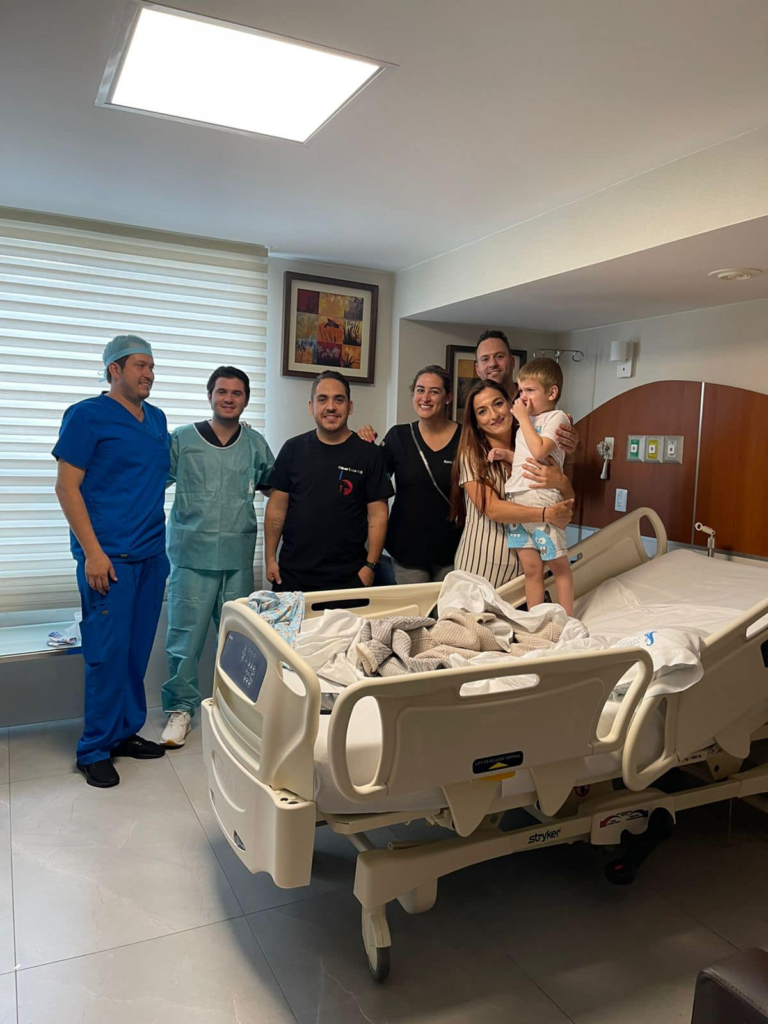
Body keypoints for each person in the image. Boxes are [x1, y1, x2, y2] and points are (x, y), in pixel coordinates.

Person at [53, 335, 168, 788]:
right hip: (109, 559)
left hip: (151, 555)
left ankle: (124, 732)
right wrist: (93, 553)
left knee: (136, 653)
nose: (149, 374)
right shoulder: (86, 416)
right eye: (140, 365)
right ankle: (94, 749)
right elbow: (67, 487)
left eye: (152, 366)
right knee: (107, 655)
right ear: (114, 370)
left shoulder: (156, 419)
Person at [161, 366, 275, 748]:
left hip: (237, 557)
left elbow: (279, 487)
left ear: (246, 399)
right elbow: (150, 480)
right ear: (209, 395)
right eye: (222, 391)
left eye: (236, 393)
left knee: (241, 641)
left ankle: (236, 709)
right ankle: (181, 709)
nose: (229, 398)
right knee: (184, 639)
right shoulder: (182, 439)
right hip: (191, 555)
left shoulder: (255, 444)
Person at [264, 371, 393, 592]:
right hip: (292, 576)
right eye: (322, 399)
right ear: (311, 406)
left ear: (350, 407)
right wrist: (269, 558)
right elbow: (276, 508)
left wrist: (370, 566)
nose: (330, 407)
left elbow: (378, 514)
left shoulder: (369, 454)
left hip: (349, 578)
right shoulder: (292, 449)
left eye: (338, 400)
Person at [451, 380, 574, 588]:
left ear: (512, 404)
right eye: (482, 411)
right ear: (477, 422)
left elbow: (567, 503)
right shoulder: (473, 455)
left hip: (528, 575)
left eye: (498, 404)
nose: (494, 415)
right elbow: (492, 509)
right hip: (483, 570)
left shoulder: (535, 448)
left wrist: (561, 482)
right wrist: (546, 514)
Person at [490, 358, 574, 613]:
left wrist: (523, 419)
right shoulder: (527, 423)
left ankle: (567, 619)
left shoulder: (556, 417)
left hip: (542, 498)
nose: (523, 397)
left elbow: (539, 451)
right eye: (520, 390)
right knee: (531, 568)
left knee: (558, 566)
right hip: (518, 500)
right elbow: (527, 457)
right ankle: (535, 619)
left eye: (530, 390)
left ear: (552, 392)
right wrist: (507, 455)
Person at [380, 365, 462, 583]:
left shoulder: (466, 438)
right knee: (415, 606)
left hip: (454, 550)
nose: (425, 398)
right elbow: (374, 481)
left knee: (451, 605)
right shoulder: (398, 436)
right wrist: (364, 441)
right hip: (407, 551)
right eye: (420, 390)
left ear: (448, 397)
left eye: (434, 391)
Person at [475, 329, 578, 453]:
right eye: (485, 359)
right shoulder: (474, 407)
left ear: (512, 362)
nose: (493, 363)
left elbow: (564, 455)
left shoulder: (538, 402)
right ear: (477, 369)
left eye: (499, 356)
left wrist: (570, 448)